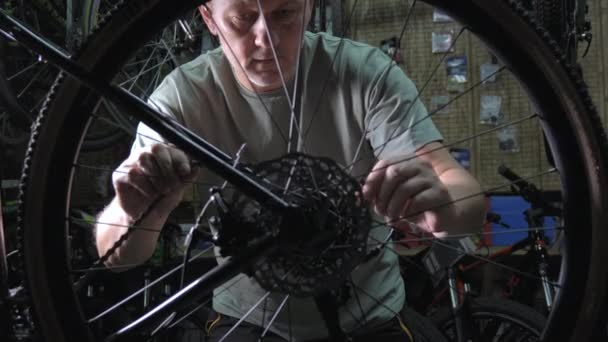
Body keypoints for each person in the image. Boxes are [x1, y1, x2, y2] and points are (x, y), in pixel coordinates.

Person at [95, 0, 486, 341]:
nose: (266, 37)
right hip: (245, 323)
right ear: (209, 19)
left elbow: (466, 200)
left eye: (286, 13)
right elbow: (116, 256)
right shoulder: (181, 96)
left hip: (371, 321)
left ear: (311, 6)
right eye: (243, 18)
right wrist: (136, 211)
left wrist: (443, 208)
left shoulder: (366, 73)